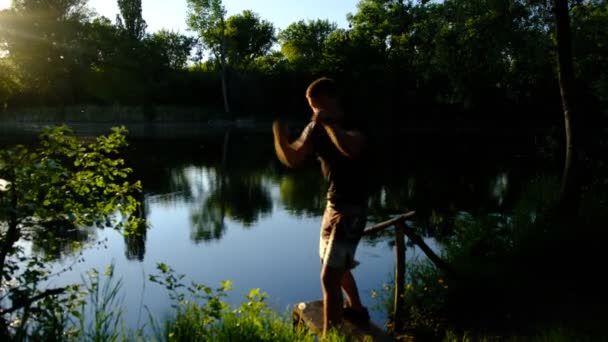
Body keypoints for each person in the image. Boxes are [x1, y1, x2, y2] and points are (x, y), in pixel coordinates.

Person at [272, 77, 370, 335]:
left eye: (317, 105)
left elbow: (351, 149)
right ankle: (357, 308)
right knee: (332, 264)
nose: (314, 111)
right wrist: (280, 140)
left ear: (331, 100)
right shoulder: (315, 127)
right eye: (312, 106)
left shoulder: (355, 122)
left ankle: (331, 336)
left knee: (329, 276)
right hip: (332, 205)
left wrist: (327, 124)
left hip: (352, 210)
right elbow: (294, 157)